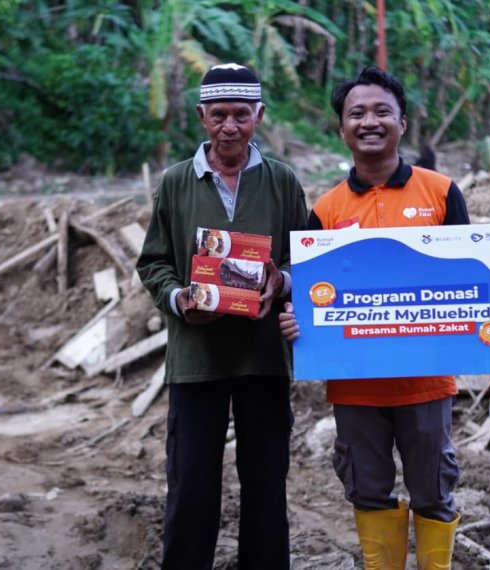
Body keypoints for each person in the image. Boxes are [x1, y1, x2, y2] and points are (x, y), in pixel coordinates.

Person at [278, 66, 490, 570]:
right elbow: (312, 301)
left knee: (434, 493)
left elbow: (473, 285)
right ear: (341, 129)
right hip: (355, 389)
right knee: (367, 492)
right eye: (356, 113)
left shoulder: (441, 192)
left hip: (426, 385)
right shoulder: (325, 211)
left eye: (382, 111)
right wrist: (295, 325)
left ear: (402, 122)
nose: (369, 121)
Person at [136, 63, 308, 570]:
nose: (229, 126)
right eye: (218, 115)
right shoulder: (176, 182)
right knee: (190, 486)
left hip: (264, 359)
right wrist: (179, 300)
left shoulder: (281, 180)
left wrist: (281, 282)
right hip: (197, 358)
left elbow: (304, 258)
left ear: (260, 115)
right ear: (201, 116)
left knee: (266, 486)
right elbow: (154, 262)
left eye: (240, 114)